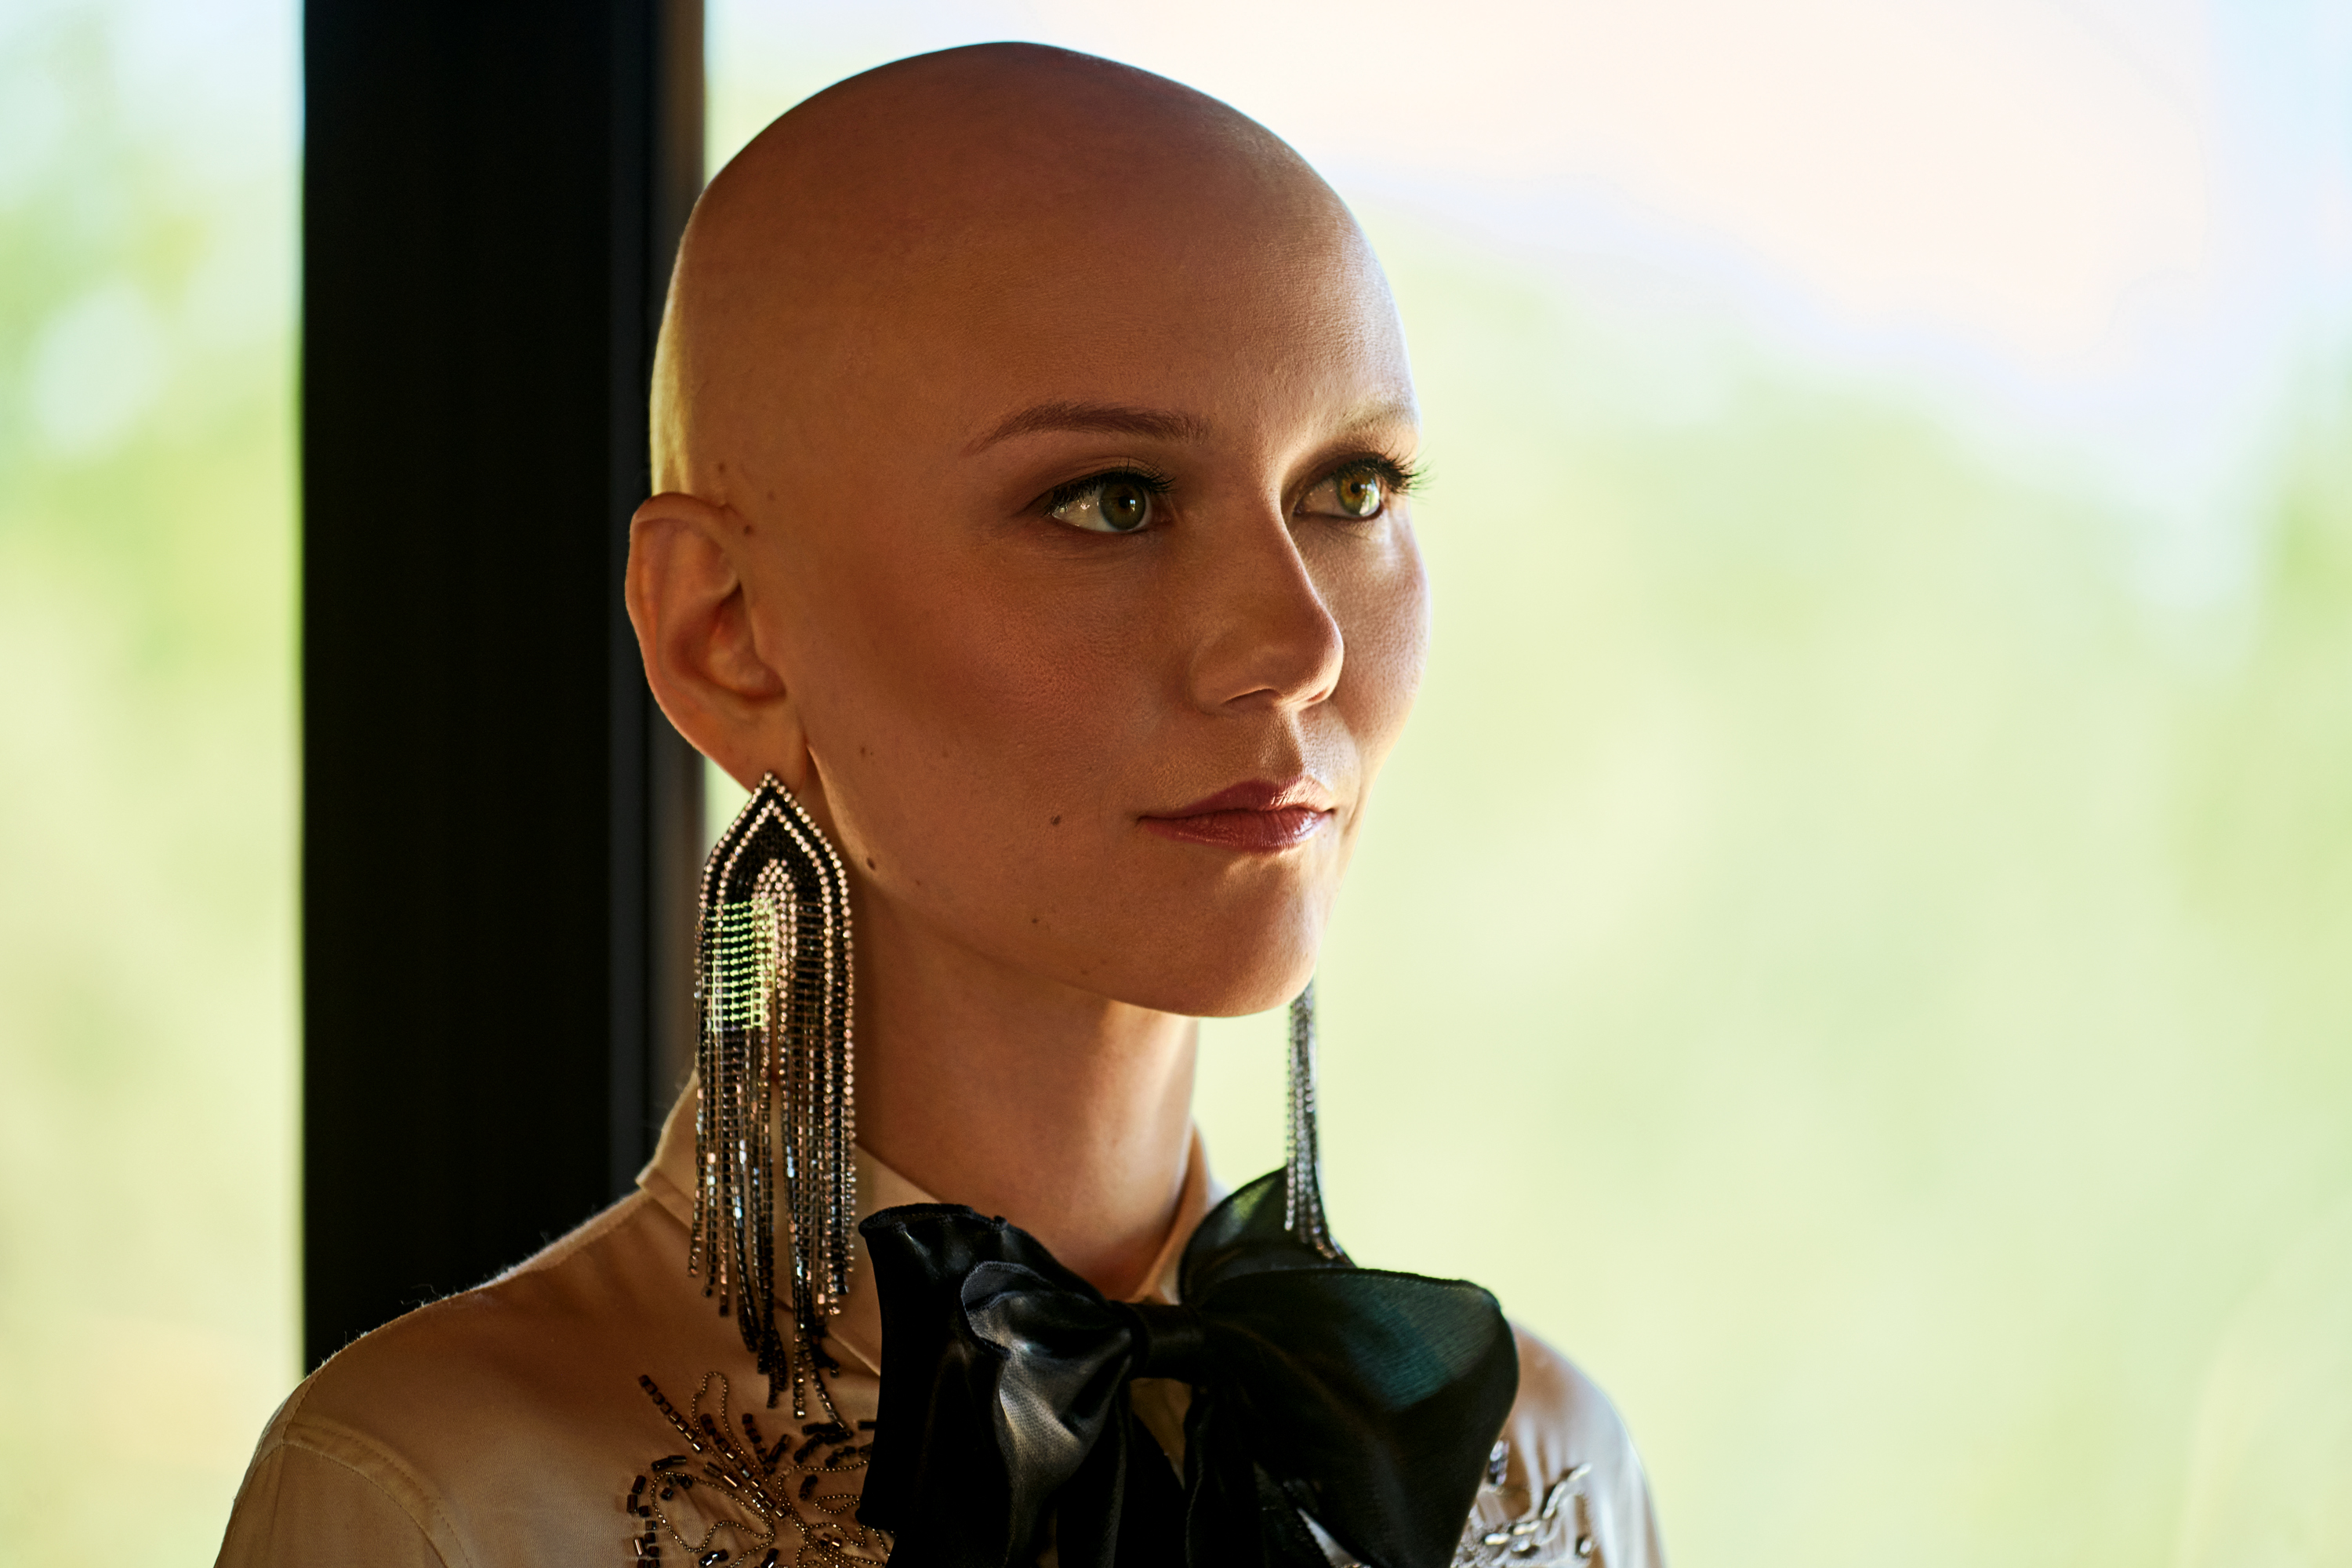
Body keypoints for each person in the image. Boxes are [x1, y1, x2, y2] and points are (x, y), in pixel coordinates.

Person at [216, 42, 1664, 1568]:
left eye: (1351, 490)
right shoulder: (453, 1493)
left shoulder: (1538, 1467)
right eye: (1111, 498)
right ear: (728, 629)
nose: (1299, 644)